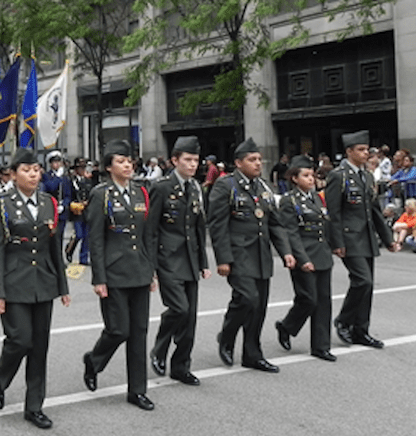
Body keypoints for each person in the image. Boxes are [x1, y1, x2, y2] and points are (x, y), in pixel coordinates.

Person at [0, 148, 70, 430]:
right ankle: (0, 376)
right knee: (20, 340)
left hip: (43, 282)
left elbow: (54, 248)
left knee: (40, 346)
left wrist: (62, 286)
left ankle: (34, 406)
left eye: (36, 169)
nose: (33, 174)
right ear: (13, 174)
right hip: (14, 282)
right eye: (26, 170)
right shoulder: (1, 204)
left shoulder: (48, 202)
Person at [208, 138, 294, 373]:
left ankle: (252, 354)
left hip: (261, 255)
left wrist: (286, 252)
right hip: (239, 254)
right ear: (238, 163)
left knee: (259, 307)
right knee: (247, 299)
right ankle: (227, 337)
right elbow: (217, 225)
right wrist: (223, 259)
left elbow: (274, 223)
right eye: (252, 159)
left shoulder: (263, 187)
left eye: (259, 159)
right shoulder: (226, 186)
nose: (258, 163)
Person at [82, 139, 157, 411]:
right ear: (108, 167)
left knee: (139, 332)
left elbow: (147, 235)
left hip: (139, 270)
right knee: (118, 329)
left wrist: (151, 271)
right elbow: (96, 239)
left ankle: (137, 390)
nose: (127, 165)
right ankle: (94, 360)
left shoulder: (141, 192)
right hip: (114, 272)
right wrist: (99, 278)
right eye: (121, 161)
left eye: (129, 161)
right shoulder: (101, 194)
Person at [147, 136, 210, 385]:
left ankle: (181, 366)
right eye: (188, 160)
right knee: (179, 308)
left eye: (196, 160)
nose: (193, 164)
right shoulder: (161, 187)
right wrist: (151, 266)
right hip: (168, 258)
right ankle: (160, 348)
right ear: (175, 161)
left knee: (190, 317)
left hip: (190, 258)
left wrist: (204, 262)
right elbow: (151, 229)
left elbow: (199, 227)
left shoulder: (196, 187)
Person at [326, 130, 397, 349]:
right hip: (349, 237)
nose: (366, 153)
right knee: (362, 281)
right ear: (349, 152)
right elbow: (334, 213)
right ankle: (343, 320)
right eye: (361, 149)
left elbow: (374, 210)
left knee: (368, 286)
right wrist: (337, 242)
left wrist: (388, 239)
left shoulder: (367, 176)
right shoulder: (338, 176)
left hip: (366, 237)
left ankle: (361, 330)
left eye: (367, 149)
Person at [275, 155, 336, 362]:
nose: (311, 179)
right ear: (295, 178)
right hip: (304, 255)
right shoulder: (289, 201)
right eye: (306, 175)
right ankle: (286, 326)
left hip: (322, 254)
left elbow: (326, 224)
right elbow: (291, 233)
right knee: (308, 299)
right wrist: (302, 259)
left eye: (312, 175)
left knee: (323, 301)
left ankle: (321, 346)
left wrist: (336, 246)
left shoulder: (317, 198)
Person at [65, 157, 92, 265]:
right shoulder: (71, 181)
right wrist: (73, 204)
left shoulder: (87, 181)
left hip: (86, 211)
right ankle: (70, 249)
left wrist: (87, 202)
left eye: (83, 168)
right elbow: (69, 195)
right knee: (79, 234)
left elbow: (91, 194)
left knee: (87, 236)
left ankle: (83, 258)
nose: (82, 170)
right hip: (76, 211)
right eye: (80, 168)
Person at [41, 150, 72, 242]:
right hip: (51, 209)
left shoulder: (65, 177)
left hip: (61, 212)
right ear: (50, 164)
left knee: (60, 237)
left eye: (59, 161)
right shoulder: (46, 176)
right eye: (55, 162)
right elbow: (51, 187)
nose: (57, 164)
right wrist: (57, 178)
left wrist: (64, 205)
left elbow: (68, 194)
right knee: (53, 237)